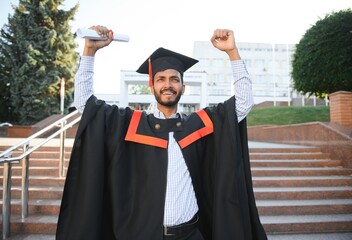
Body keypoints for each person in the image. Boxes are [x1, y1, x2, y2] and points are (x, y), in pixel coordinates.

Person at [56, 26, 267, 240]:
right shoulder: (129, 123)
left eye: (175, 79)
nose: (168, 84)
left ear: (183, 87)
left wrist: (233, 53)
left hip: (190, 234)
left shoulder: (197, 125)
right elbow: (85, 104)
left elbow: (243, 103)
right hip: (142, 234)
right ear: (152, 86)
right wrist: (89, 51)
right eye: (161, 79)